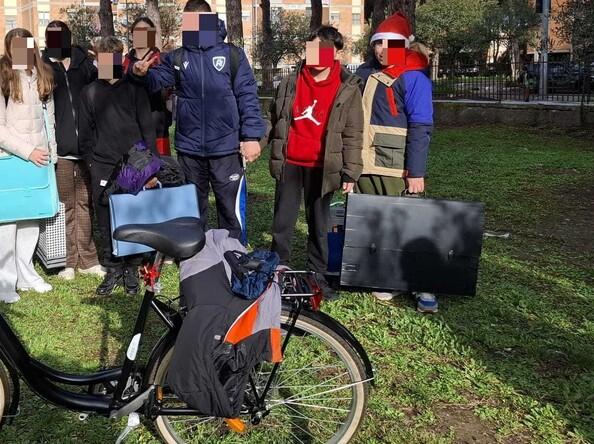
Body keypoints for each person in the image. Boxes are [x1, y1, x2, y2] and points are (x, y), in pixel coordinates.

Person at [131, 0, 265, 243]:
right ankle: (198, 261)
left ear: (210, 21)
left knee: (230, 210)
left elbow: (247, 95)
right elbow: (154, 82)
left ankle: (232, 258)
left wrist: (251, 136)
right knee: (193, 210)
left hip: (226, 149)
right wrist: (140, 73)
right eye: (188, 23)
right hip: (190, 149)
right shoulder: (177, 57)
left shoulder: (232, 55)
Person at [267, 26, 363, 300]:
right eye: (311, 48)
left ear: (336, 52)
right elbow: (274, 118)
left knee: (318, 224)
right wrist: (255, 143)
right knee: (282, 222)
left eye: (322, 48)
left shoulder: (348, 86)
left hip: (323, 167)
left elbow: (353, 131)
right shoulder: (291, 81)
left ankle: (317, 274)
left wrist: (350, 171)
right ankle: (277, 271)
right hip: (290, 162)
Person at [353, 12, 436, 312]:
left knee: (409, 224)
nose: (381, 50)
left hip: (396, 165)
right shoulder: (363, 73)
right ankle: (384, 277)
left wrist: (416, 171)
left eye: (389, 44)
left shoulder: (413, 77)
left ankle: (422, 283)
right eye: (377, 43)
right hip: (365, 162)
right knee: (375, 223)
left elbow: (421, 126)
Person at [0, 29, 57, 303]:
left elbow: (49, 121)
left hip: (38, 160)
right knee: (3, 225)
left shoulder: (42, 76)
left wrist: (52, 154)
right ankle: (1, 283)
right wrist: (28, 152)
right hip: (7, 159)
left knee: (30, 221)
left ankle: (25, 274)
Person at [80, 36, 156, 296]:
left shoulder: (134, 90)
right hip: (102, 165)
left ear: (119, 59)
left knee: (132, 216)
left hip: (134, 163)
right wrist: (92, 163)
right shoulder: (89, 92)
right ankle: (112, 267)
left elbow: (148, 129)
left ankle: (132, 267)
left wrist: (149, 169)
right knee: (106, 218)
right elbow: (86, 135)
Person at [41, 21, 104, 281]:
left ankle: (88, 259)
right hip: (61, 150)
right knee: (65, 205)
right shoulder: (42, 66)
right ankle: (67, 260)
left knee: (85, 203)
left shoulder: (86, 65)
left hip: (88, 149)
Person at [123, 17, 174, 155]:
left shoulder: (163, 60)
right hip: (130, 132)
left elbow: (167, 91)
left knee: (160, 173)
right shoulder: (123, 62)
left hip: (157, 131)